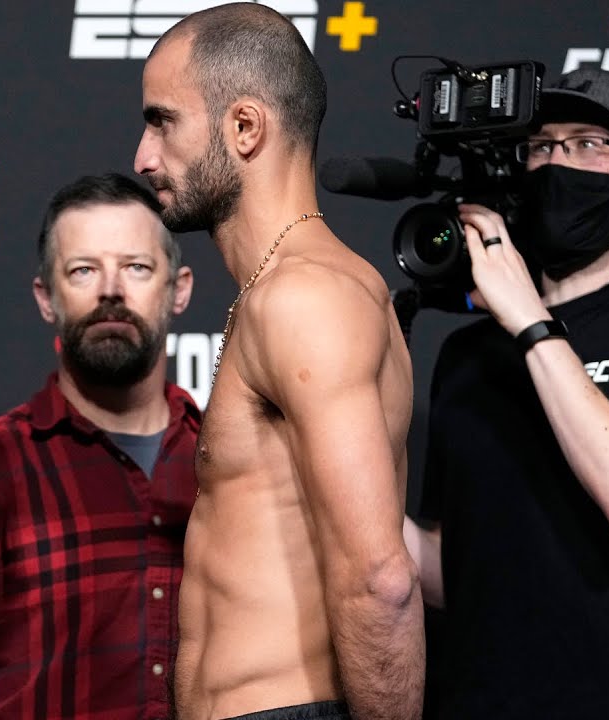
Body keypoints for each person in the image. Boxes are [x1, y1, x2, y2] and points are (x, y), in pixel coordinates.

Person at [134, 5, 423, 720]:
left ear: (245, 127)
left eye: (163, 122)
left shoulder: (306, 298)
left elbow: (380, 580)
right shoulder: (282, 293)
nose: (142, 156)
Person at [403, 67, 609, 718]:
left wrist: (530, 321)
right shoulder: (468, 353)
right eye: (542, 146)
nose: (558, 163)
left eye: (588, 144)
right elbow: (456, 573)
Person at [0, 172, 199, 720]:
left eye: (137, 267)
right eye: (83, 270)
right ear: (45, 298)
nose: (111, 290)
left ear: (179, 290)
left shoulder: (228, 463)